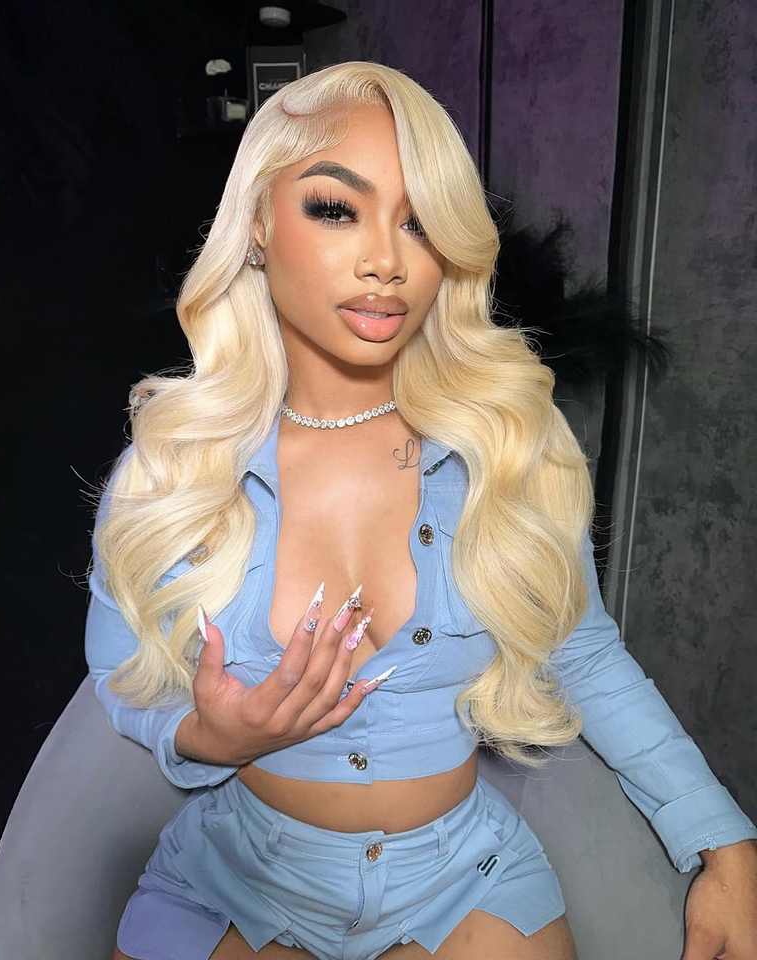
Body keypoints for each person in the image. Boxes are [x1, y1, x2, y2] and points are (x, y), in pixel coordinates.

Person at [85, 61, 757, 960]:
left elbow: (583, 653)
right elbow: (119, 669)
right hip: (236, 876)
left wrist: (724, 842)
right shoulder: (176, 463)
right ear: (257, 224)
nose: (386, 261)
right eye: (337, 209)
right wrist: (207, 736)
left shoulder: (509, 444)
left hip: (465, 882)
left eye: (420, 222)